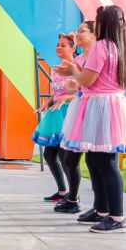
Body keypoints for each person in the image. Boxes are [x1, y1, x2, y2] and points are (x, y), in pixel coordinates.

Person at [55, 5, 126, 233]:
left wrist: (72, 72)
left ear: (104, 23)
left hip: (100, 106)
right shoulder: (119, 47)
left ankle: (117, 216)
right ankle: (102, 210)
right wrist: (77, 76)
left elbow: (88, 79)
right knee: (95, 159)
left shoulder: (102, 46)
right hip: (108, 105)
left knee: (105, 163)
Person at [54, 21, 96, 215]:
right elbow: (78, 85)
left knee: (97, 161)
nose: (77, 34)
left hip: (92, 108)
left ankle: (101, 208)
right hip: (79, 108)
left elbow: (89, 82)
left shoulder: (97, 56)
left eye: (82, 31)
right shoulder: (79, 60)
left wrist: (73, 84)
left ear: (94, 35)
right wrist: (71, 84)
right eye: (77, 31)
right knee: (69, 157)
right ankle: (73, 198)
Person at [32, 33, 78, 202]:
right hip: (55, 113)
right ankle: (62, 192)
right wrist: (48, 102)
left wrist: (65, 98)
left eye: (63, 45)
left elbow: (83, 93)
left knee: (65, 156)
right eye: (58, 44)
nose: (59, 47)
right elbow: (58, 91)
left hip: (68, 113)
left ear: (73, 48)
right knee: (49, 155)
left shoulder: (77, 67)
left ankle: (73, 196)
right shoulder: (56, 68)